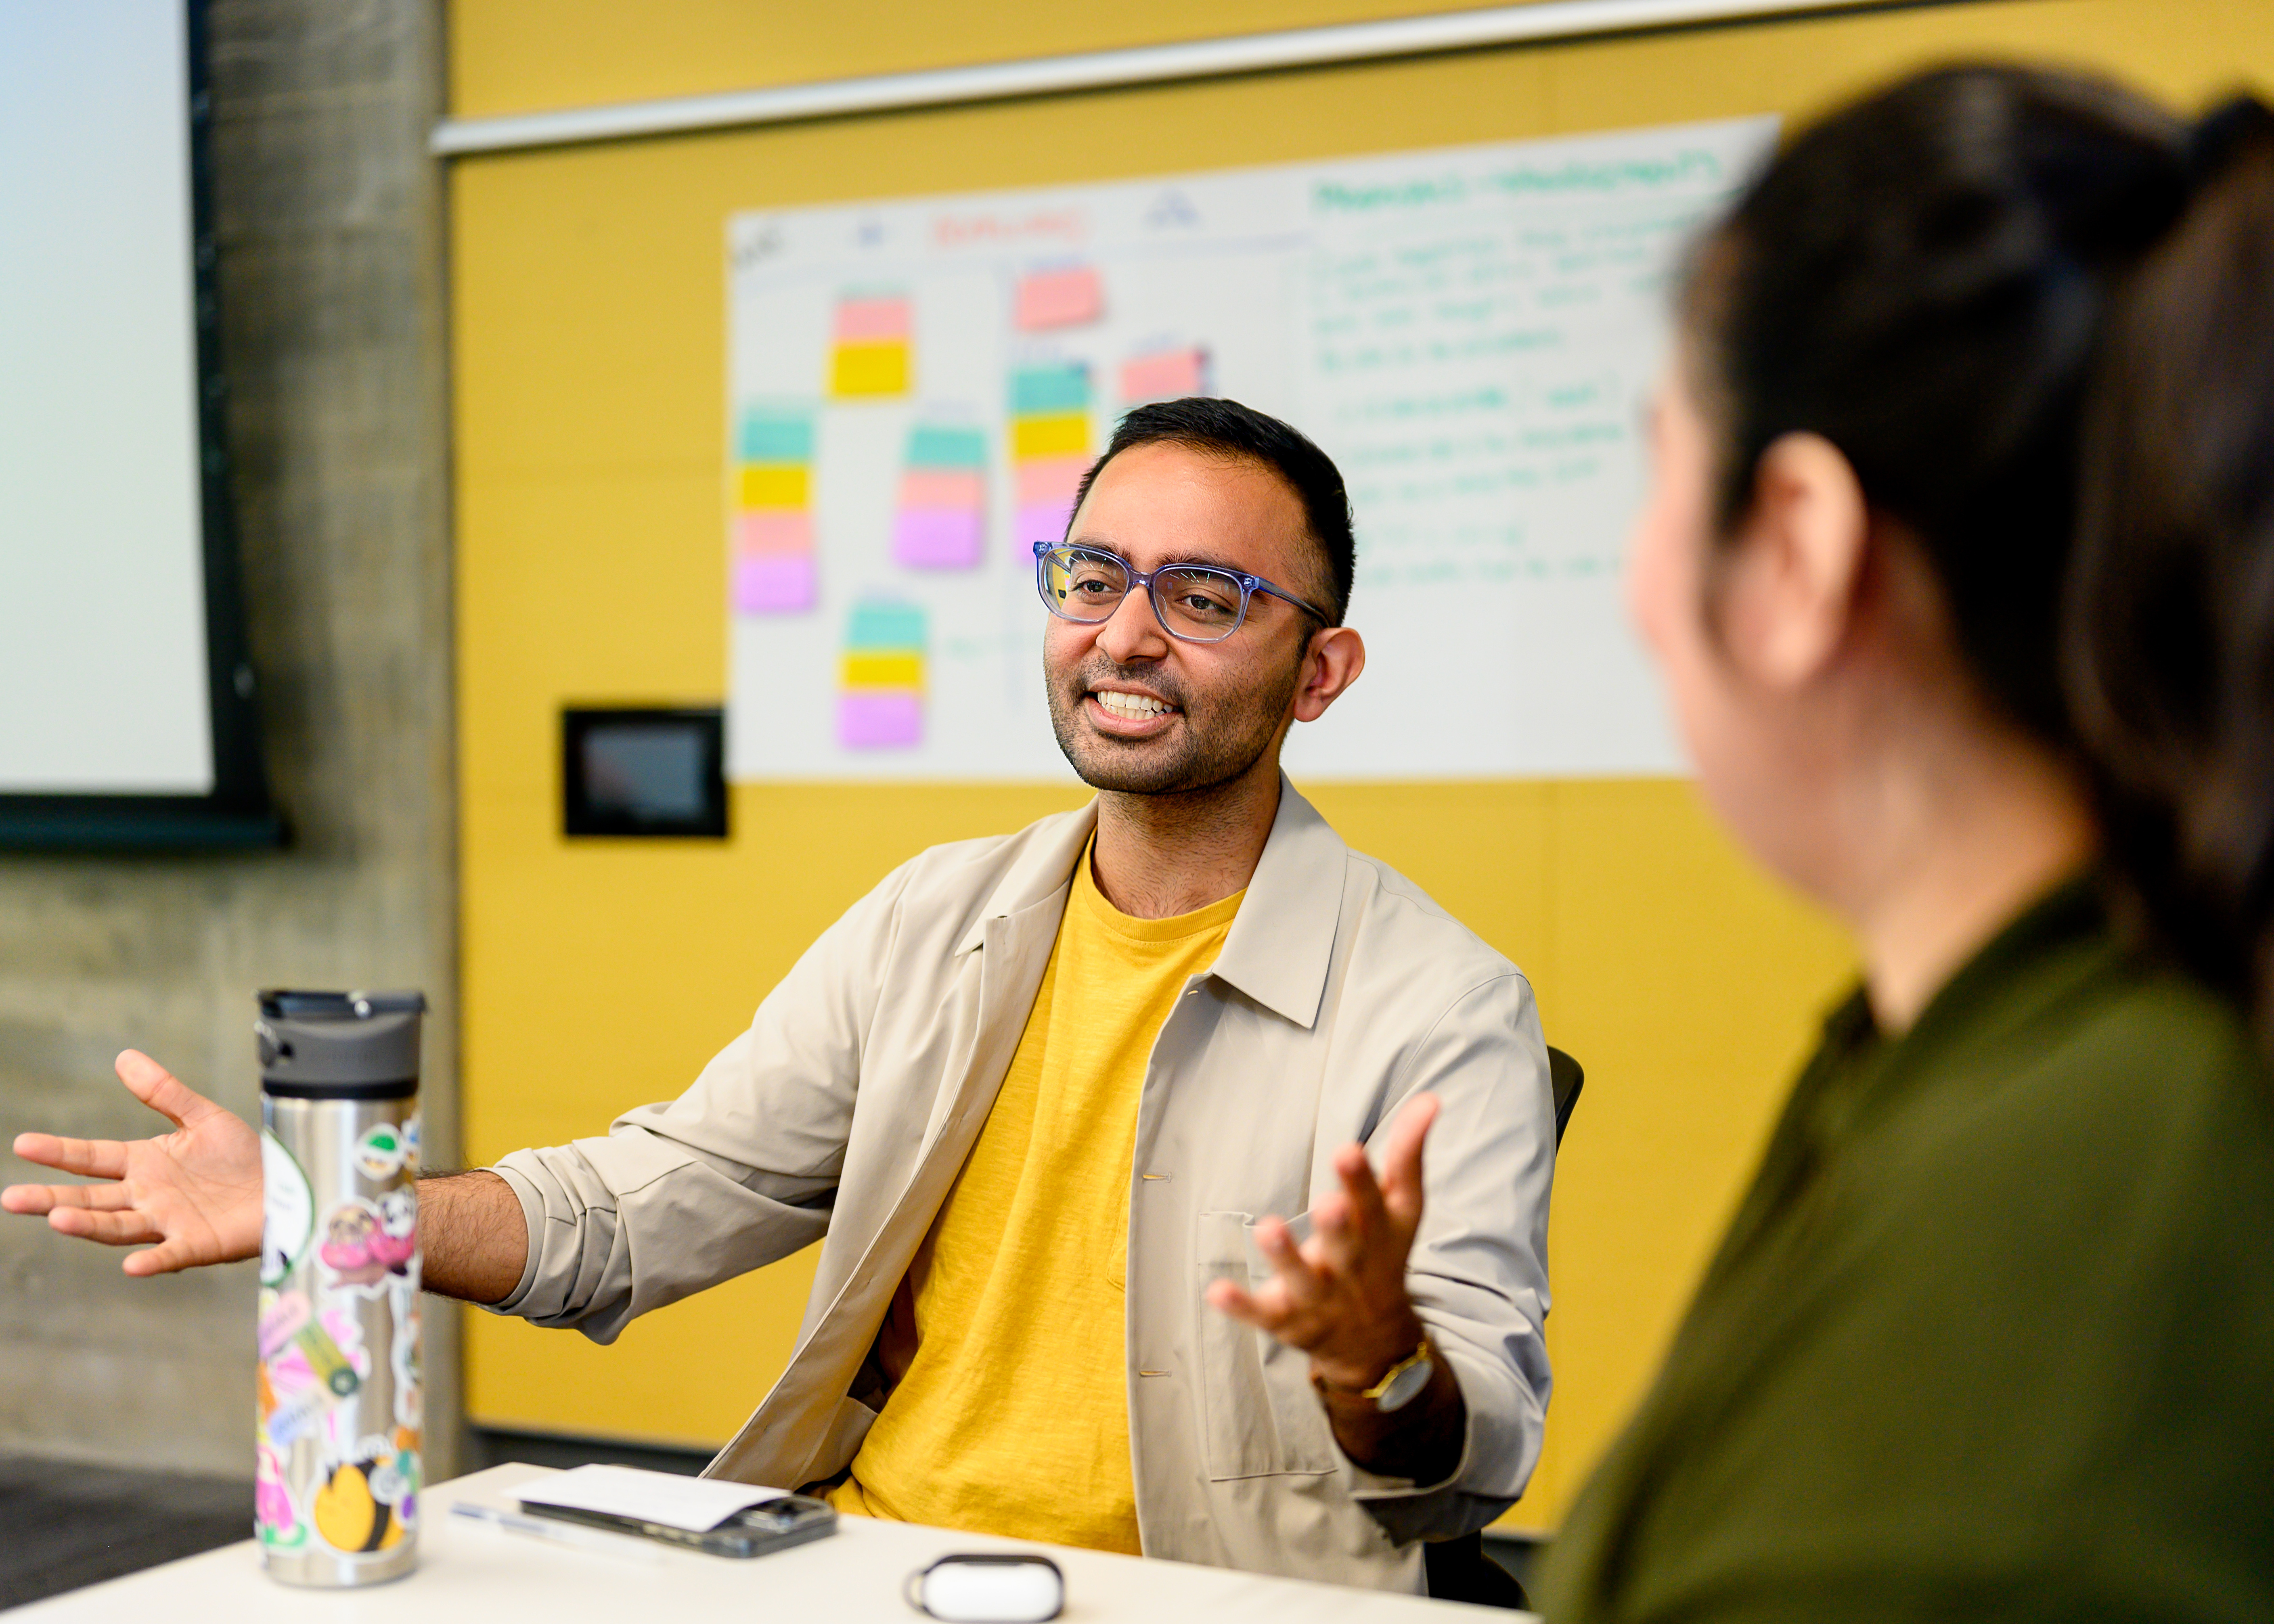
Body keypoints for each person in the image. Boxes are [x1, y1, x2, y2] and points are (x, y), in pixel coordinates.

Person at [4, 398, 1556, 1596]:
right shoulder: (933, 921)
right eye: (1093, 578)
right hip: (872, 1573)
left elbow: (1468, 1451)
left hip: (1210, 1604)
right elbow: (647, 1202)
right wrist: (337, 1212)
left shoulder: (1439, 1004)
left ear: (1323, 670)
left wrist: (1380, 1363)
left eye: (1206, 596)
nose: (1125, 633)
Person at [1538, 66, 2274, 1621]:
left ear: (1798, 551)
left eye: (1658, 462)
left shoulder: (2048, 1261)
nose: (1632, 588)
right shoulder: (2012, 1047)